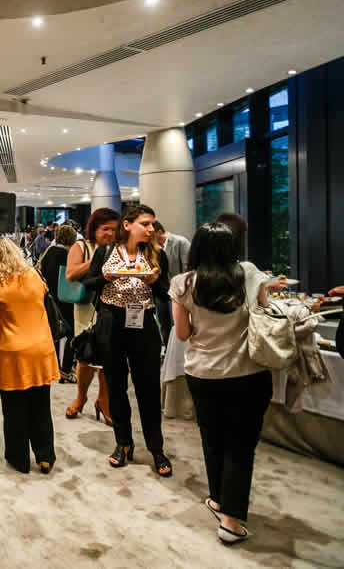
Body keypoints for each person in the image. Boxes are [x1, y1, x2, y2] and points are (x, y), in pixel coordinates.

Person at [172, 223, 283, 544]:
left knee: (212, 438)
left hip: (203, 374)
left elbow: (182, 334)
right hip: (248, 373)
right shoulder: (249, 273)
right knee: (240, 445)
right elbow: (264, 314)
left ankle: (220, 500)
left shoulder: (184, 283)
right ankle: (231, 522)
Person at [84, 204, 172, 477]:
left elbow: (165, 292)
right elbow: (88, 283)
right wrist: (105, 277)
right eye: (145, 224)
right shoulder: (106, 252)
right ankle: (123, 442)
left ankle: (156, 448)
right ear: (127, 225)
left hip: (143, 322)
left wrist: (154, 281)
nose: (151, 229)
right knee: (116, 385)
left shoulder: (156, 254)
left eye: (152, 224)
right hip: (111, 321)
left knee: (148, 388)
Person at [0, 237, 60, 473]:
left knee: (14, 410)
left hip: (12, 354)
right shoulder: (35, 276)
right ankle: (45, 457)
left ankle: (19, 459)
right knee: (41, 407)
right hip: (41, 349)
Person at [64, 208, 119, 424]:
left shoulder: (121, 248)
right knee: (85, 356)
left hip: (112, 308)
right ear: (94, 229)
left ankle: (103, 401)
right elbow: (70, 274)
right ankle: (81, 397)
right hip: (87, 307)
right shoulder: (81, 246)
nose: (110, 234)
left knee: (108, 358)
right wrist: (98, 259)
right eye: (105, 229)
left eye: (114, 229)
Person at [39, 224, 78, 382]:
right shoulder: (67, 255)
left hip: (49, 300)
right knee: (72, 333)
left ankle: (54, 367)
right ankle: (66, 369)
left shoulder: (48, 252)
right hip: (65, 299)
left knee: (53, 333)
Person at [154, 220, 191, 341]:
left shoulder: (180, 242)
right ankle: (167, 350)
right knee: (164, 324)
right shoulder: (153, 247)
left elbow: (188, 268)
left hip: (178, 293)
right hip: (162, 291)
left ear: (159, 232)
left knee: (176, 325)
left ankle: (177, 351)